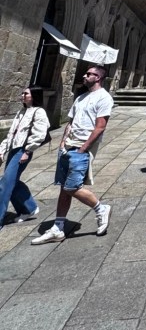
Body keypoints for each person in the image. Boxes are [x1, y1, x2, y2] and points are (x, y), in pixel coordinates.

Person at [31, 66, 113, 244]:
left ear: (98, 77)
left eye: (89, 74)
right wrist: (62, 143)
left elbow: (100, 126)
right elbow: (71, 122)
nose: (84, 76)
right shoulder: (81, 98)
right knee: (64, 188)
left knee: (72, 187)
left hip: (81, 148)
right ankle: (58, 228)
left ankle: (101, 208)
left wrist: (84, 148)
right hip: (67, 147)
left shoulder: (104, 97)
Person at [0, 85, 50, 227]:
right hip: (13, 149)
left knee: (5, 184)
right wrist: (2, 149)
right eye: (22, 93)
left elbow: (39, 134)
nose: (22, 96)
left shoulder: (39, 112)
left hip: (22, 150)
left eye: (26, 94)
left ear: (34, 96)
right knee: (11, 182)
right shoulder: (21, 111)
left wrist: (27, 151)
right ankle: (28, 208)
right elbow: (11, 133)